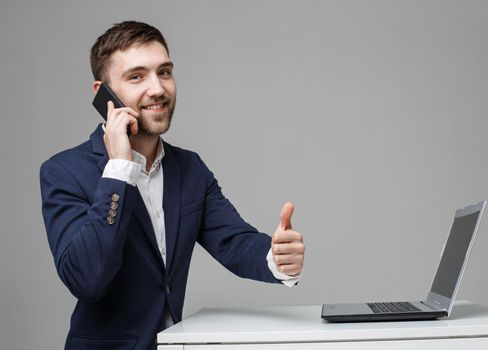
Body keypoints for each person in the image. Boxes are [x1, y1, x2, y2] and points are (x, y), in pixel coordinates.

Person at [40, 21, 305, 350]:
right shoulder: (63, 171)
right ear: (102, 94)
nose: (157, 89)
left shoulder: (189, 168)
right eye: (136, 76)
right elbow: (87, 280)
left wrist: (277, 259)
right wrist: (119, 169)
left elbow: (233, 241)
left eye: (164, 72)